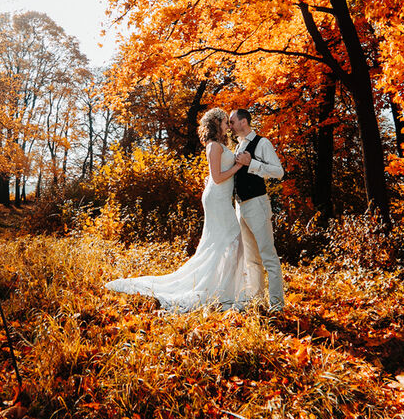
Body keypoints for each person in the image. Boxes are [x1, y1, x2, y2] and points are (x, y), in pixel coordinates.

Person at [104, 108, 257, 311]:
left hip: (220, 197)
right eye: (224, 122)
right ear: (216, 124)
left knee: (226, 242)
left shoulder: (220, 145)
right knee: (231, 240)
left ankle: (224, 289)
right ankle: (219, 290)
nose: (228, 125)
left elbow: (215, 175)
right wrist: (238, 165)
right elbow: (218, 177)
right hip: (217, 199)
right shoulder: (213, 146)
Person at [230, 108, 285, 311]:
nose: (230, 125)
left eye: (232, 121)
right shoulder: (237, 146)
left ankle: (277, 305)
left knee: (268, 255)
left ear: (244, 121)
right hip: (240, 206)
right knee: (251, 259)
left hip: (257, 204)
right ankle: (258, 300)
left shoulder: (262, 143)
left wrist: (251, 163)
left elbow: (279, 172)